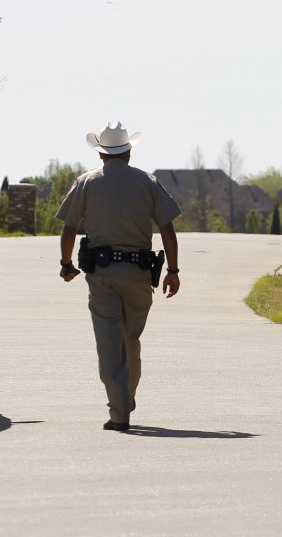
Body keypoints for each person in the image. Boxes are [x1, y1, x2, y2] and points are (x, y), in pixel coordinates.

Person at [56, 121, 181, 432]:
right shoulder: (148, 182)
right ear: (128, 152)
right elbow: (167, 228)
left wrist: (66, 263)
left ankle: (119, 413)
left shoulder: (86, 183)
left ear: (100, 154)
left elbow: (69, 227)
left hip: (102, 276)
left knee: (110, 345)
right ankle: (128, 396)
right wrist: (174, 271)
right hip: (140, 275)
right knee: (131, 341)